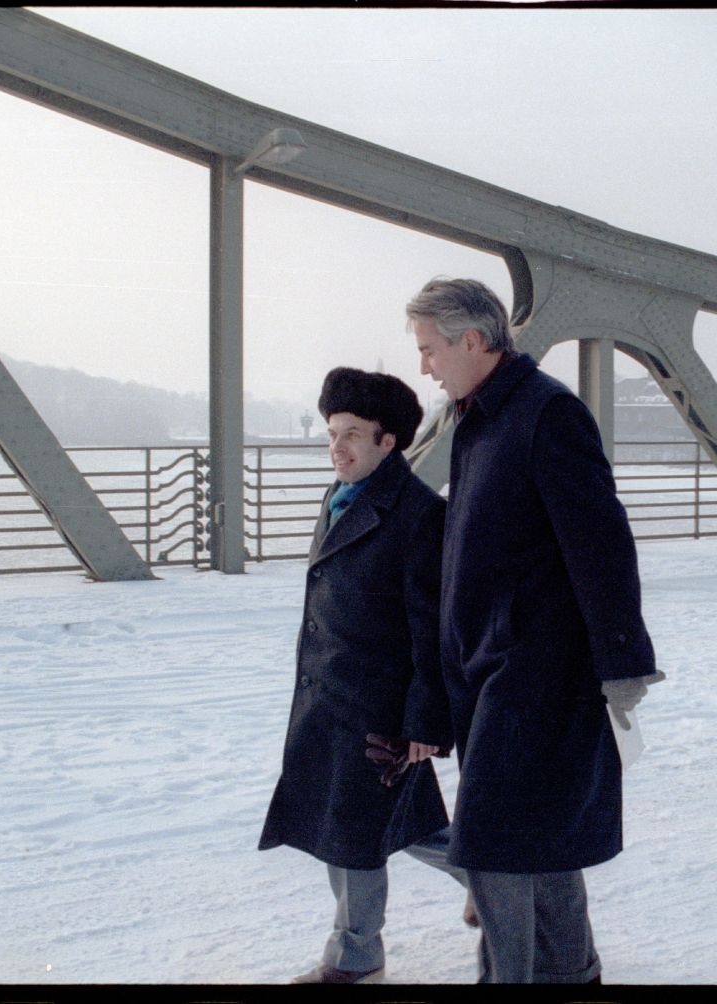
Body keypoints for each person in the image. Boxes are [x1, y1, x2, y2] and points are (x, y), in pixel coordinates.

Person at [406, 277, 661, 984]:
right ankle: (573, 972)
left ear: (473, 341)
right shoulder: (479, 416)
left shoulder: (548, 414)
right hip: (491, 666)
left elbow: (601, 544)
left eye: (430, 350)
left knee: (492, 846)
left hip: (541, 673)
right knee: (538, 842)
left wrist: (621, 664)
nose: (424, 365)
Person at [258, 367, 466, 985]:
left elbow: (431, 628)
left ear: (389, 441)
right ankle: (495, 877)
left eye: (353, 433)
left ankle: (355, 957)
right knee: (402, 826)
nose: (338, 447)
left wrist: (426, 718)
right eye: (331, 433)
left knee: (355, 834)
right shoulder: (339, 495)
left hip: (377, 709)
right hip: (330, 698)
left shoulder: (419, 515)